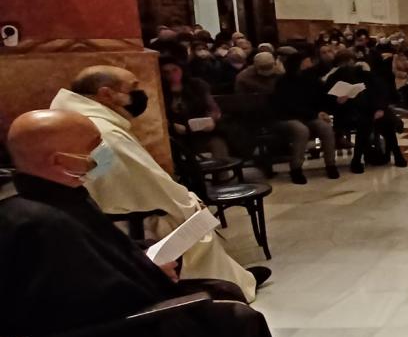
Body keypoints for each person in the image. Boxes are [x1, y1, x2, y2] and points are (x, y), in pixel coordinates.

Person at [0, 110, 313, 337]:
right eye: (92, 148)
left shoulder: (45, 198)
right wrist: (152, 271)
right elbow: (90, 301)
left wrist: (145, 256)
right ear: (59, 161)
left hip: (96, 328)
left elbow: (98, 256)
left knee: (223, 292)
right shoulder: (38, 223)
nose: (101, 154)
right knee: (236, 319)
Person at [50, 67, 264, 301]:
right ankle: (220, 286)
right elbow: (150, 187)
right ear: (106, 94)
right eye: (133, 88)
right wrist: (189, 203)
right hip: (128, 220)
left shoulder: (79, 120)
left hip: (103, 214)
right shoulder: (104, 133)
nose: (140, 93)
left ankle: (236, 275)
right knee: (191, 220)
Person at [324, 50, 408, 173]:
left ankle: (396, 154)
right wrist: (337, 101)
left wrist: (379, 108)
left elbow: (379, 92)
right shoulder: (333, 78)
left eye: (349, 63)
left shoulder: (364, 74)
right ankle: (357, 160)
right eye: (344, 64)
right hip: (346, 113)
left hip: (370, 109)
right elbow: (326, 99)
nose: (348, 66)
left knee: (386, 121)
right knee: (365, 122)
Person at [271, 52, 340, 184]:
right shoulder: (283, 81)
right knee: (301, 130)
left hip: (309, 116)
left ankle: (331, 164)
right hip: (286, 118)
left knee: (325, 127)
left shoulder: (312, 79)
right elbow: (287, 106)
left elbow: (323, 98)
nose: (310, 63)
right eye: (307, 60)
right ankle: (296, 168)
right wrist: (315, 114)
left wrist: (324, 111)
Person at [159, 58, 228, 159]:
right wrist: (171, 126)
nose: (171, 74)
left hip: (201, 130)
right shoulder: (159, 89)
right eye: (166, 72)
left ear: (181, 69)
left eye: (175, 70)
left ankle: (221, 172)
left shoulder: (197, 85)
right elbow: (158, 117)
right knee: (172, 148)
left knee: (218, 143)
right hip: (176, 134)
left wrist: (211, 119)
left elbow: (213, 108)